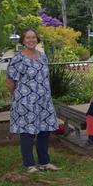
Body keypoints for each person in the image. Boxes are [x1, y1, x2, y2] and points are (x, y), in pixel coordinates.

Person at [6, 29, 60, 173]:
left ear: (37, 39)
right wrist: (18, 97)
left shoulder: (43, 56)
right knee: (27, 133)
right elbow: (10, 82)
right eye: (28, 38)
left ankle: (44, 162)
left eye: (34, 37)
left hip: (44, 102)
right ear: (23, 41)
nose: (31, 40)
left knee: (44, 131)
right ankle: (29, 165)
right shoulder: (18, 59)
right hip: (26, 103)